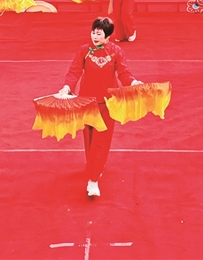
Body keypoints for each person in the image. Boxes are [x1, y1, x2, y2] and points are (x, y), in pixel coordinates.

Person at [58, 17, 142, 198]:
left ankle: (93, 180)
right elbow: (74, 71)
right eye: (93, 33)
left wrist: (133, 82)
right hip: (86, 102)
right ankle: (94, 167)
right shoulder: (84, 50)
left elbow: (124, 73)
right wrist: (67, 87)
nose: (94, 37)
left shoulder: (116, 52)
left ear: (108, 36)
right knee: (89, 140)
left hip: (107, 103)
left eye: (99, 34)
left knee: (101, 141)